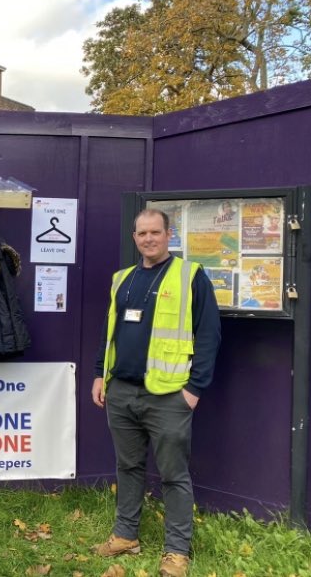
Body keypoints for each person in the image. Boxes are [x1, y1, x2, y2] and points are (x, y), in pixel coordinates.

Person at [91, 209, 220, 577]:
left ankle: (177, 552)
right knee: (127, 466)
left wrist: (194, 389)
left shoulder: (190, 277)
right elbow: (109, 331)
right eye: (142, 233)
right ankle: (125, 535)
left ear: (168, 235)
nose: (148, 239)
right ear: (134, 237)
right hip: (122, 392)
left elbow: (209, 336)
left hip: (168, 396)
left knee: (174, 475)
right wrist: (101, 374)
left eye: (155, 232)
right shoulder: (122, 279)